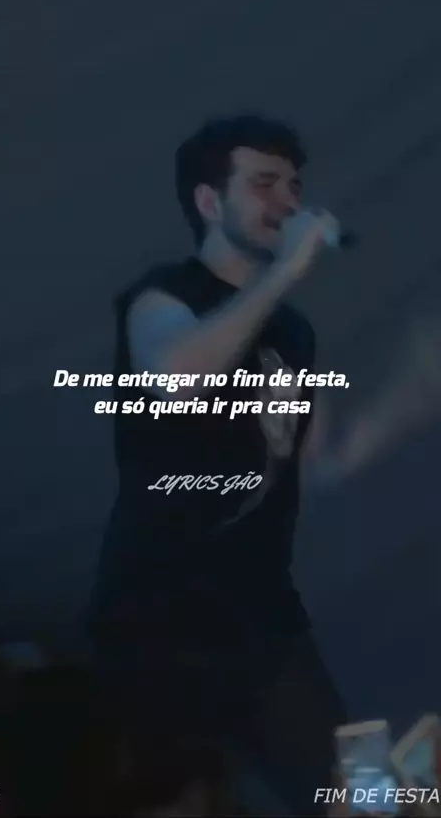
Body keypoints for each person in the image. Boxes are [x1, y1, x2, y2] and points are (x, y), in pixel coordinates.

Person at [89, 114, 347, 815]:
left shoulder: (293, 331)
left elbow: (308, 458)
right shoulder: (162, 296)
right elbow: (175, 376)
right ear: (209, 201)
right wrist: (285, 273)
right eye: (263, 184)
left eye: (294, 186)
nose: (287, 202)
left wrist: (404, 403)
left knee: (372, 797)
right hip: (156, 621)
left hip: (262, 618)